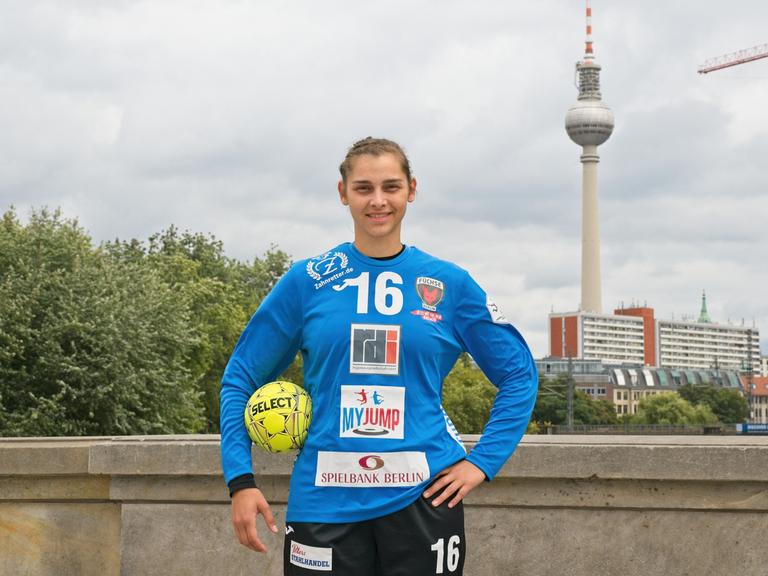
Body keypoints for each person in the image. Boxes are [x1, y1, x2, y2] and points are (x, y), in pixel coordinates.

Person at [220, 137, 538, 575]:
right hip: (324, 502)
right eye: (364, 188)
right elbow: (240, 375)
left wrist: (482, 462)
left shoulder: (449, 284)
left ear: (411, 189)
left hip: (424, 500)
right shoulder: (308, 280)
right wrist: (240, 480)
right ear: (342, 193)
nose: (378, 201)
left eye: (390, 187)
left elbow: (519, 373)